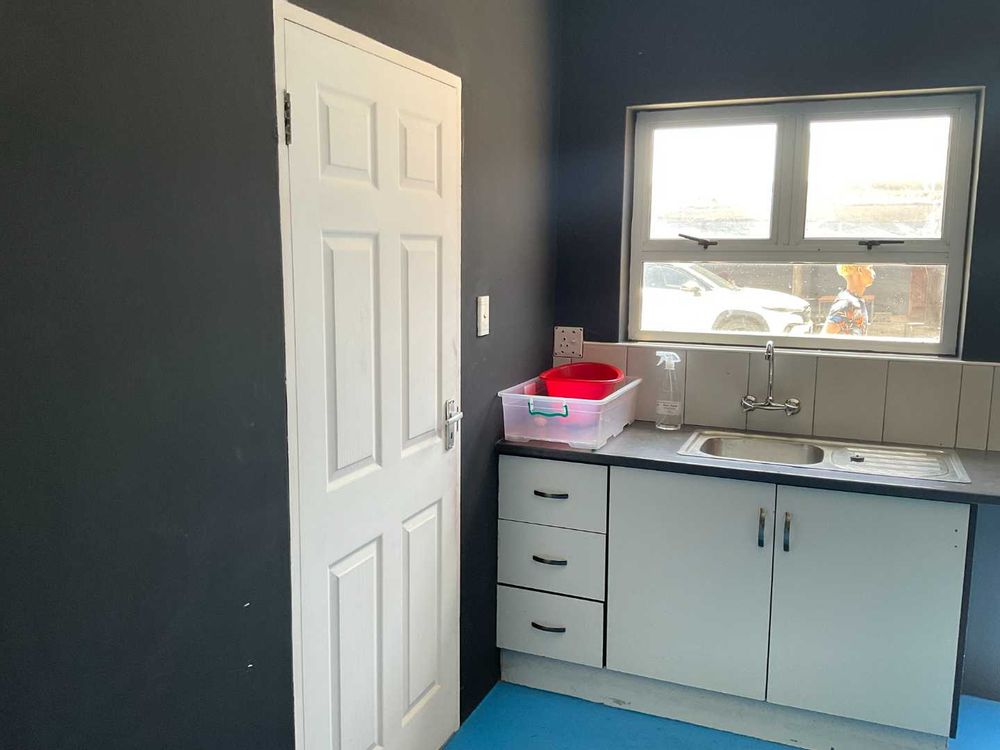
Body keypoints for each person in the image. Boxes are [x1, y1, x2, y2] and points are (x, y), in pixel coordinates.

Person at [824, 264, 875, 336]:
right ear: (860, 270)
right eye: (870, 268)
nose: (874, 273)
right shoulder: (846, 303)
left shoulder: (856, 300)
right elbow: (825, 338)